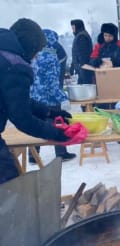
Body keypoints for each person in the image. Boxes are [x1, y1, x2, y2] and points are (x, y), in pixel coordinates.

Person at [0, 18, 72, 185]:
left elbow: (14, 99)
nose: (37, 56)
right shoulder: (14, 65)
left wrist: (47, 111)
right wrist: (56, 133)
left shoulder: (3, 55)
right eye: (37, 51)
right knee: (9, 190)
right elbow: (22, 118)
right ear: (29, 46)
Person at [29, 29, 76, 163]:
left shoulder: (33, 55)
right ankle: (61, 153)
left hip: (34, 97)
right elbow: (52, 83)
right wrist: (63, 98)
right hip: (50, 99)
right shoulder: (51, 57)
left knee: (35, 124)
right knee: (57, 123)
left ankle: (33, 154)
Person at [70, 19, 93, 84]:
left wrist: (81, 66)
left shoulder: (81, 37)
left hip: (84, 69)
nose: (72, 30)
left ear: (78, 27)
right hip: (82, 68)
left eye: (73, 28)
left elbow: (83, 54)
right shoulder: (79, 35)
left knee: (84, 87)